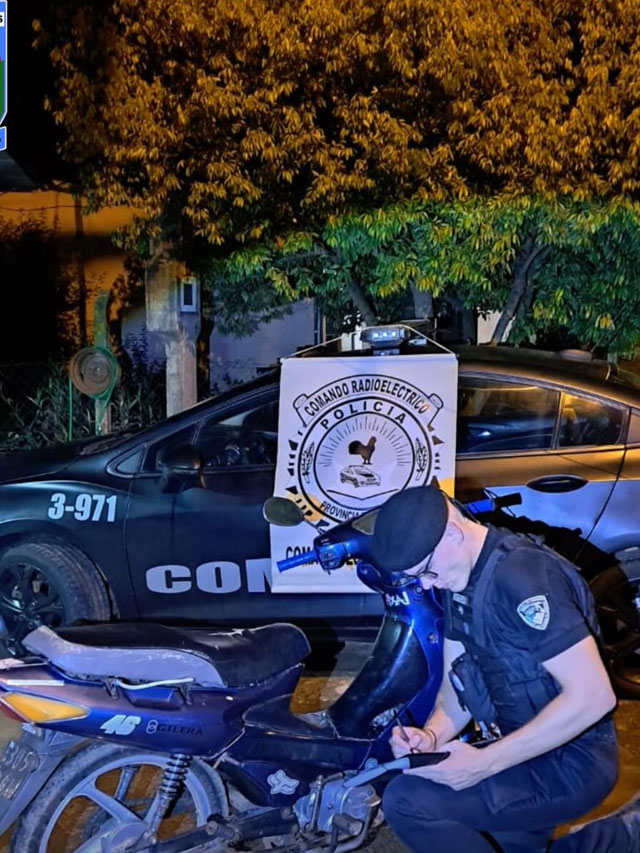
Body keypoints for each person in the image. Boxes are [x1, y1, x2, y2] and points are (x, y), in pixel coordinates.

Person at [370, 485, 619, 853]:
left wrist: (484, 763)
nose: (425, 584)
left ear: (452, 533)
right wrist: (431, 737)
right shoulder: (459, 577)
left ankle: (621, 836)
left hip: (573, 760)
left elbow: (594, 696)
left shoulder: (524, 577)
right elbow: (456, 690)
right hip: (519, 747)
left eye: (426, 571)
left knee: (407, 800)